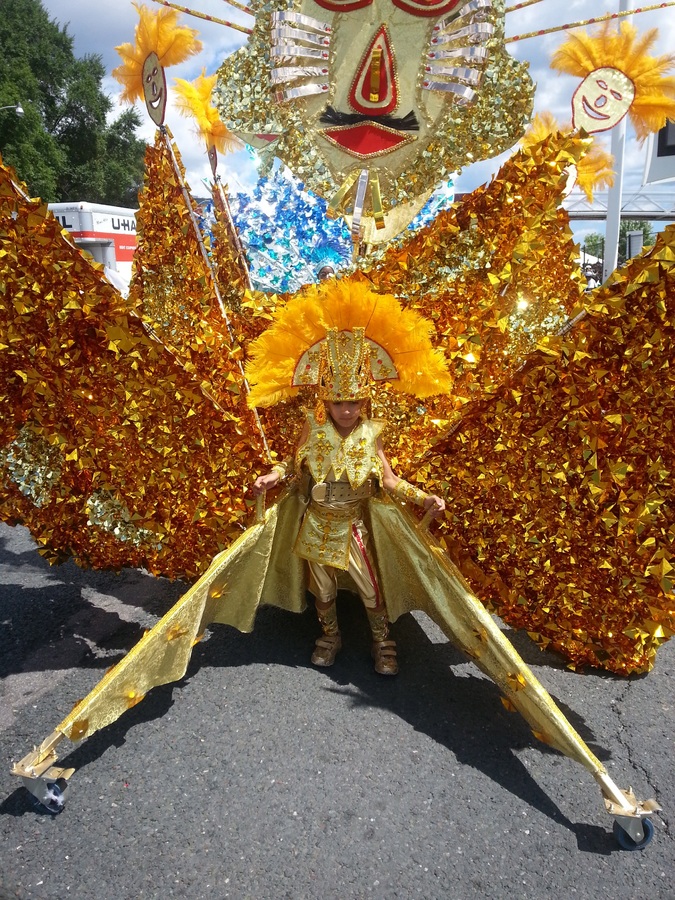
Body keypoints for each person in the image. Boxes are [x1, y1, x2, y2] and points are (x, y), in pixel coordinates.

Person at [252, 393, 445, 675]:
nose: (346, 410)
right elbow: (292, 462)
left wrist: (423, 498)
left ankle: (381, 640)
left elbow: (389, 478)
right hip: (316, 524)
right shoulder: (313, 425)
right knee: (323, 589)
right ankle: (331, 636)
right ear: (326, 404)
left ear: (363, 403)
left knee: (371, 587)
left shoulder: (371, 431)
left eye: (353, 403)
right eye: (339, 403)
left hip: (353, 524)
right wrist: (273, 476)